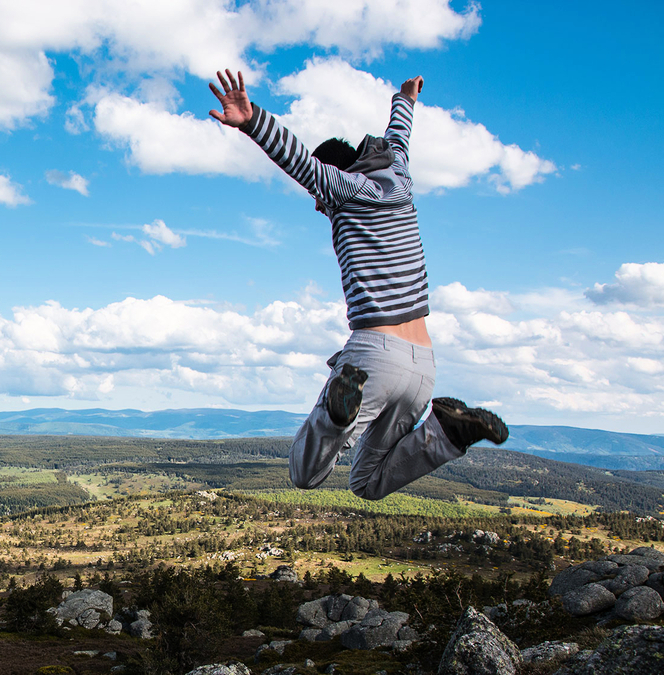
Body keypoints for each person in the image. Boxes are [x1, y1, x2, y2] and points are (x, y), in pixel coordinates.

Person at [208, 69, 508, 501]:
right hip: (423, 366)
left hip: (375, 352)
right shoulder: (400, 181)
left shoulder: (345, 189)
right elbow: (398, 140)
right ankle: (447, 433)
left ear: (333, 174)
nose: (317, 205)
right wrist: (404, 100)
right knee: (366, 483)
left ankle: (336, 414)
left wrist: (254, 121)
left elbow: (299, 162)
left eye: (318, 196)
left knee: (304, 472)